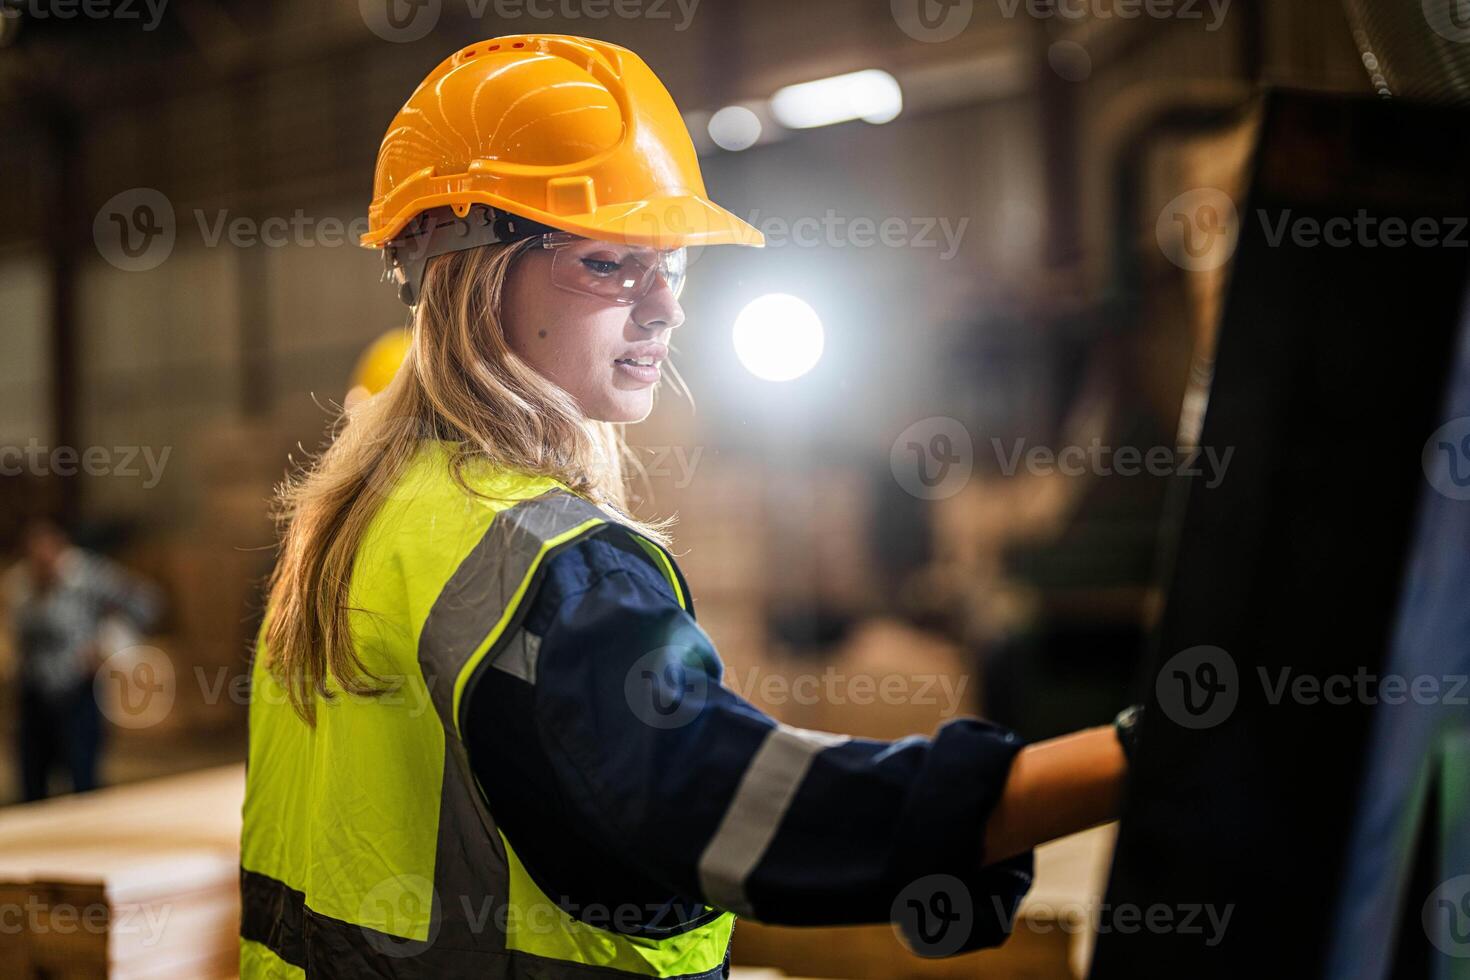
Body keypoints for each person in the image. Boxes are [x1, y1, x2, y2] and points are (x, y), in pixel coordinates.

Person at [239, 34, 1138, 978]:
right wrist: (1120, 766)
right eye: (606, 261)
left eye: (670, 264)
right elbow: (733, 808)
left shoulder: (356, 526)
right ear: (472, 274)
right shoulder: (539, 564)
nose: (664, 307)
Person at [5, 519, 161, 800]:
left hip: (76, 688)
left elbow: (145, 602)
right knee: (32, 783)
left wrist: (109, 643)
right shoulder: (19, 585)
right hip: (34, 692)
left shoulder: (88, 577)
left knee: (83, 778)